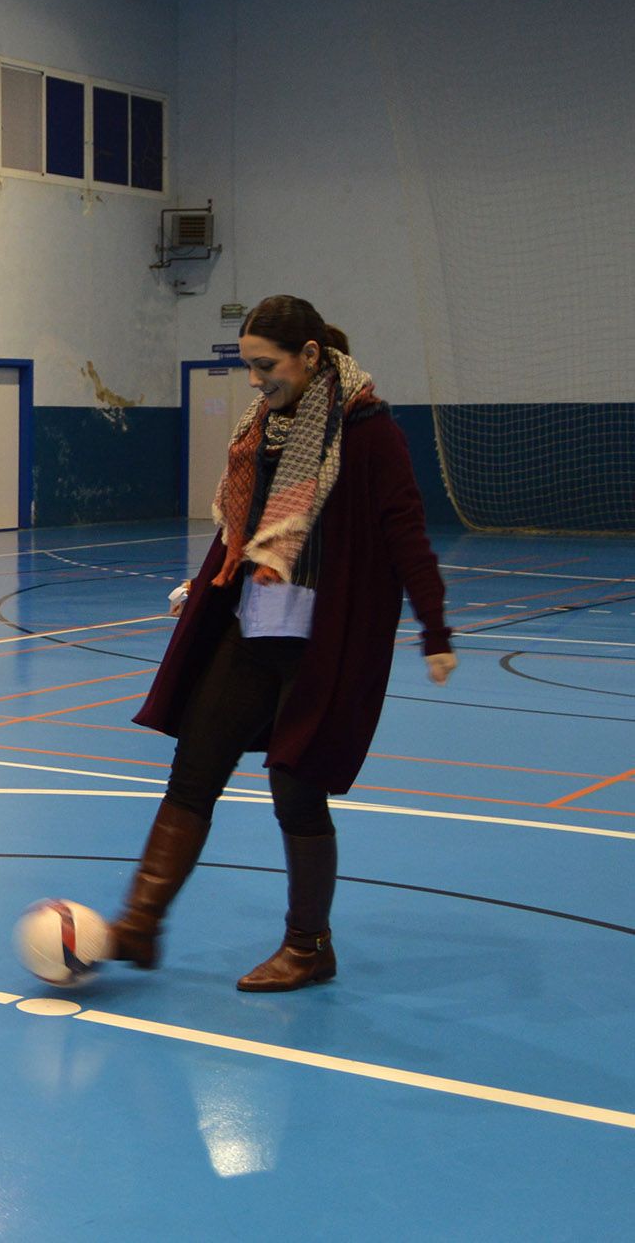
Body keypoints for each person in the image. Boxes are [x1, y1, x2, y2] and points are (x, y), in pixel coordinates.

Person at [112, 295, 456, 992]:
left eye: (265, 365)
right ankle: (140, 924)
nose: (254, 381)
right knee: (194, 770)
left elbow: (406, 535)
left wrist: (435, 628)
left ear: (309, 357)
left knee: (296, 791)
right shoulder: (264, 430)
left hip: (322, 646)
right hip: (254, 627)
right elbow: (252, 528)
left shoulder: (369, 435)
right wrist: (210, 577)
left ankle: (309, 947)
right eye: (246, 367)